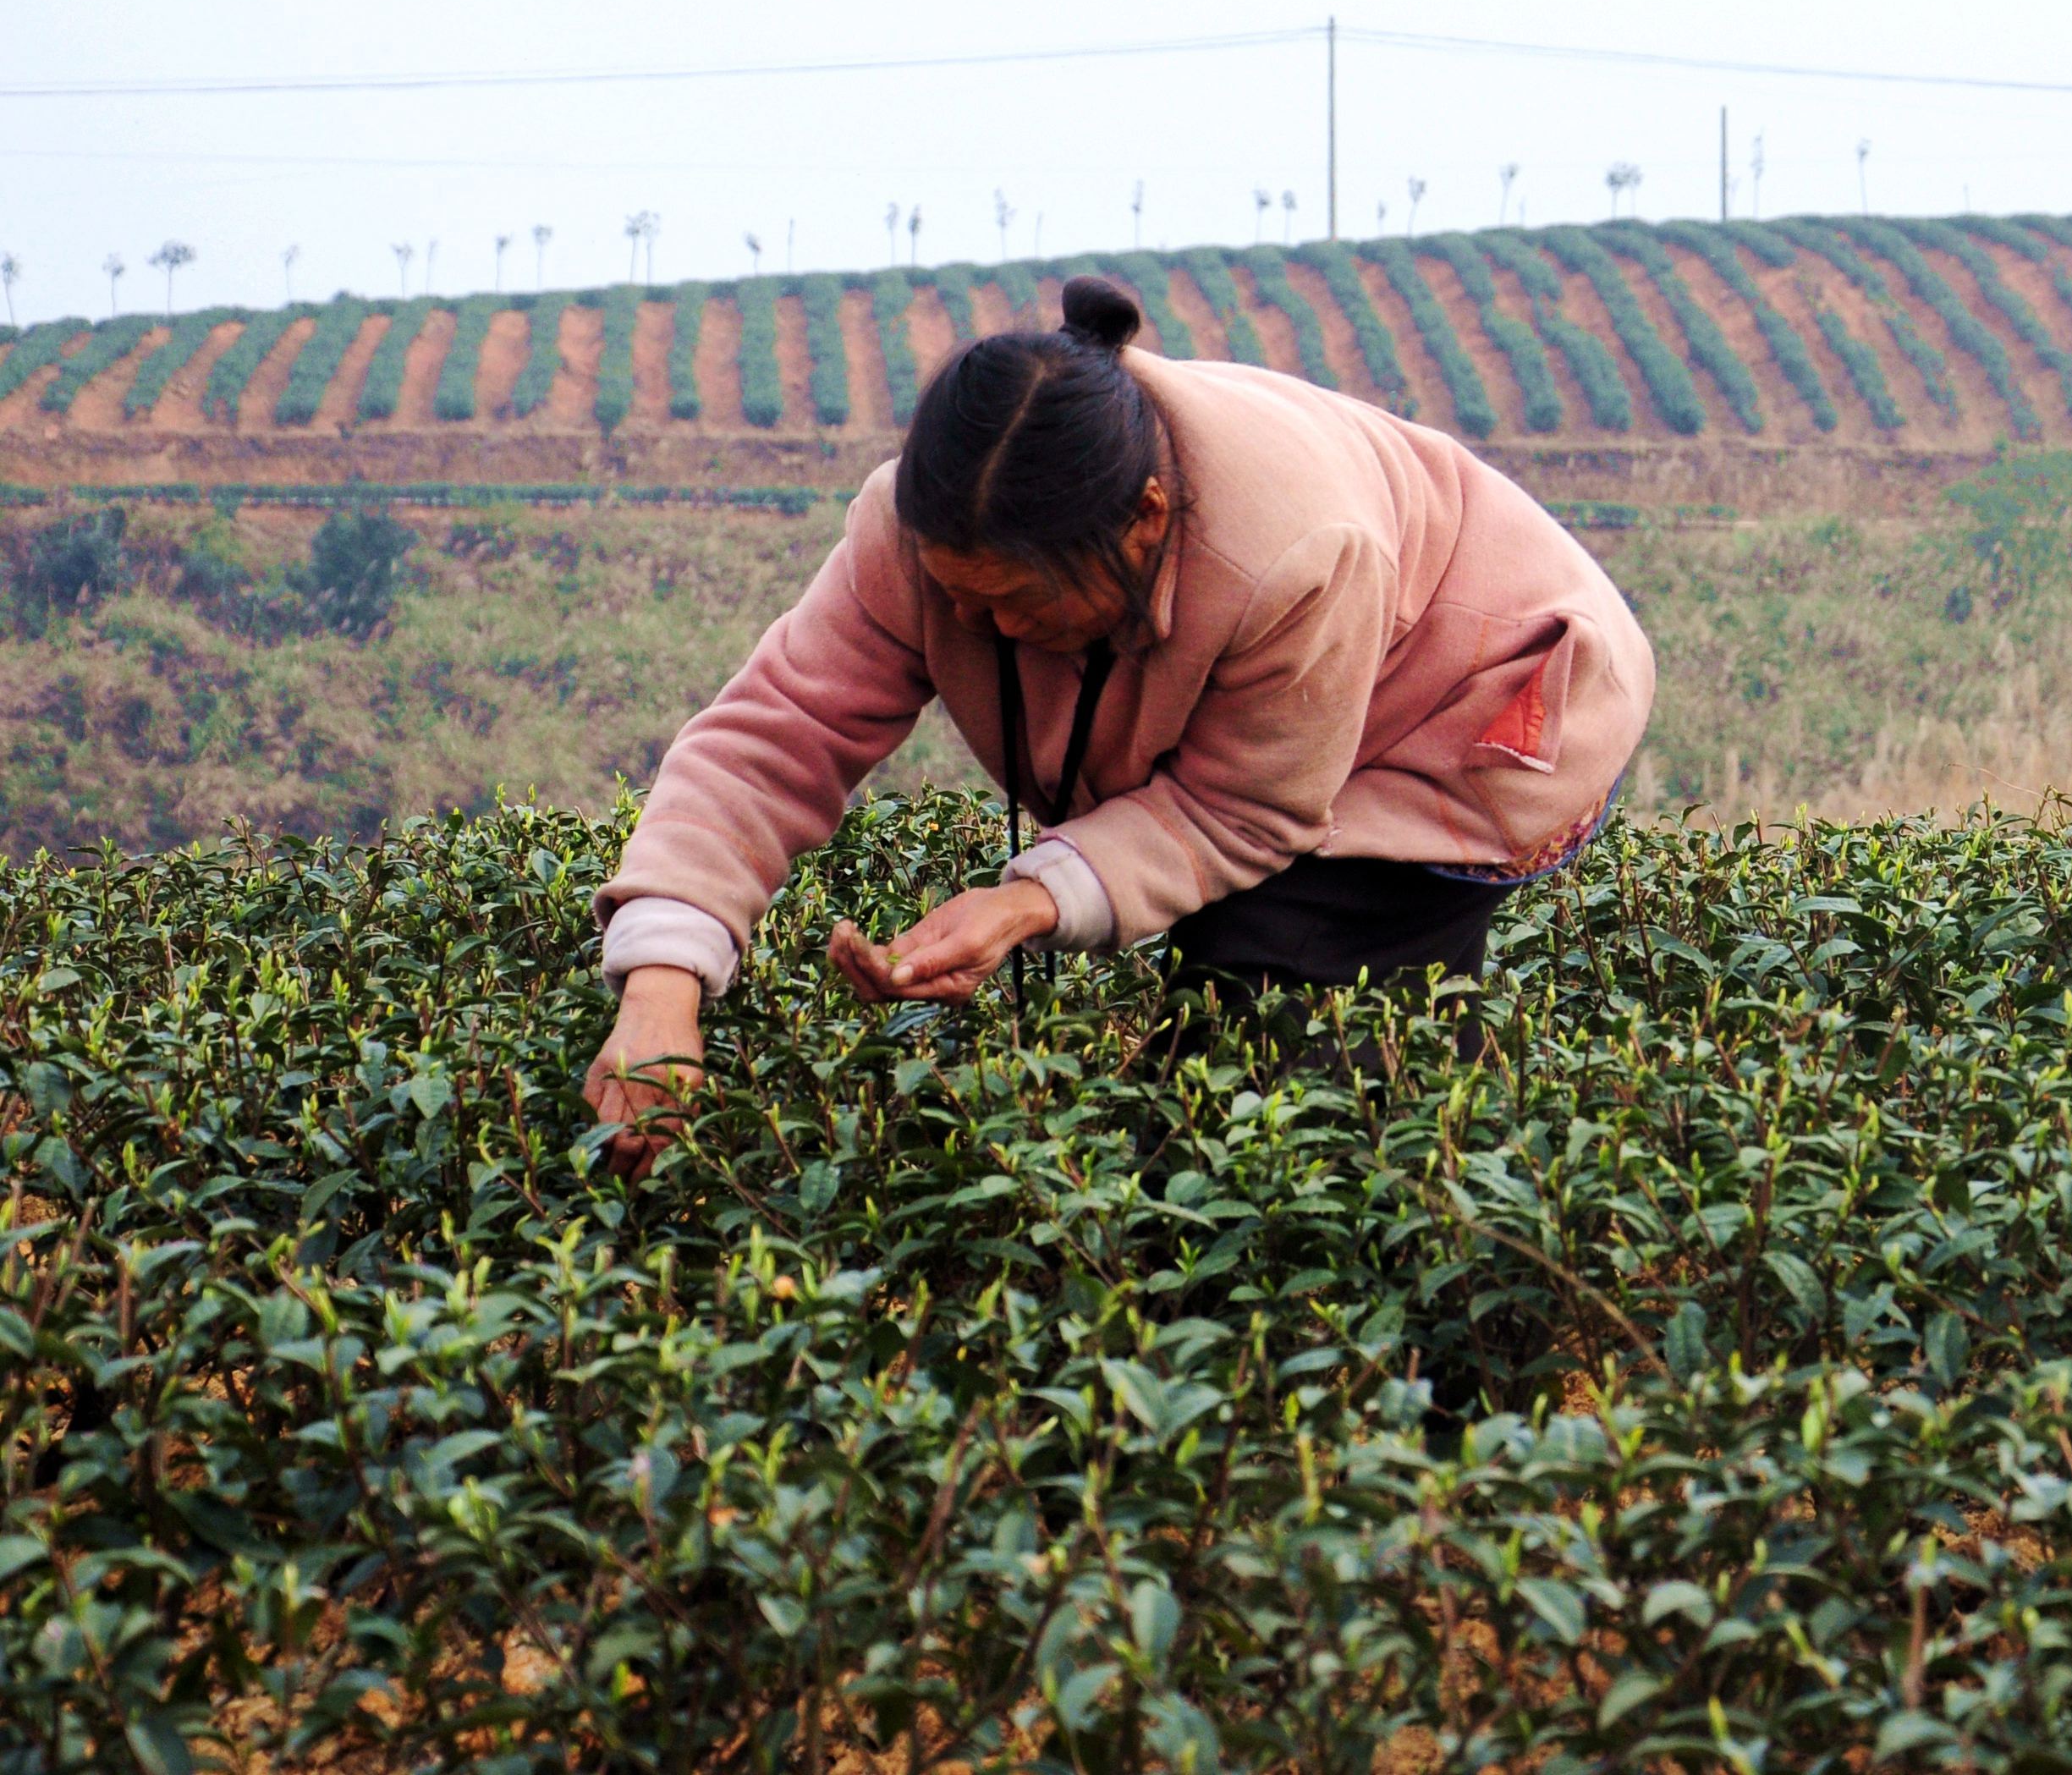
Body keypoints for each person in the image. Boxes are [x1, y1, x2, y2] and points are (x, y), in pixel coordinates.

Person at [580, 275, 1655, 1169]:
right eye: (957, 595)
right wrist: (662, 987)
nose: (973, 625)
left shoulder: (1293, 551)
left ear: (1147, 520)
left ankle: (1399, 1371)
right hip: (1313, 693)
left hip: (1474, 706)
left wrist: (1029, 900)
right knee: (1221, 1061)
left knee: (1285, 1058)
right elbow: (775, 733)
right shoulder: (920, 528)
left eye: (1012, 603)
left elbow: (1239, 808)